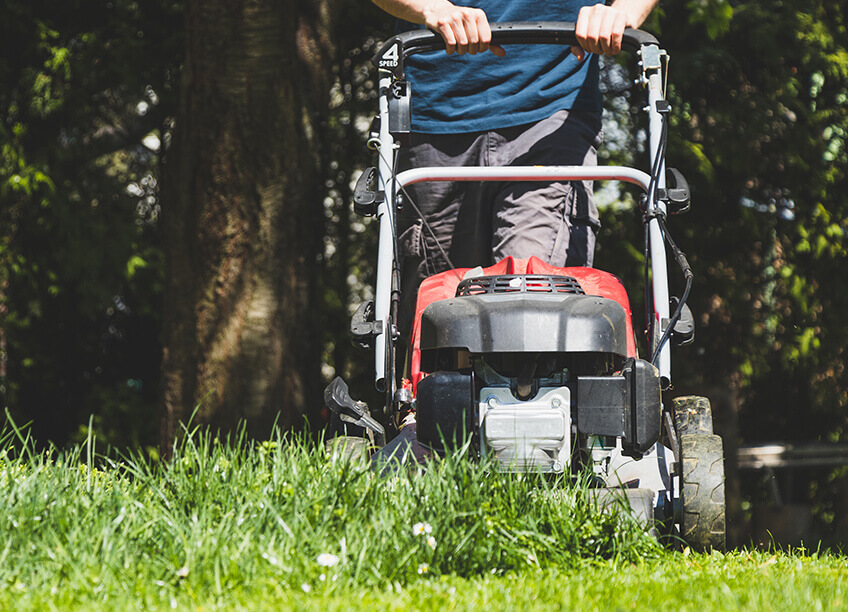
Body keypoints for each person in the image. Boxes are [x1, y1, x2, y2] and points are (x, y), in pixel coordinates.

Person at [369, 1, 659, 466]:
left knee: (533, 297)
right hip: (435, 112)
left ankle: (548, 469)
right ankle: (439, 468)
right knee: (443, 314)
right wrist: (432, 9)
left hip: (551, 105)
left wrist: (622, 12)